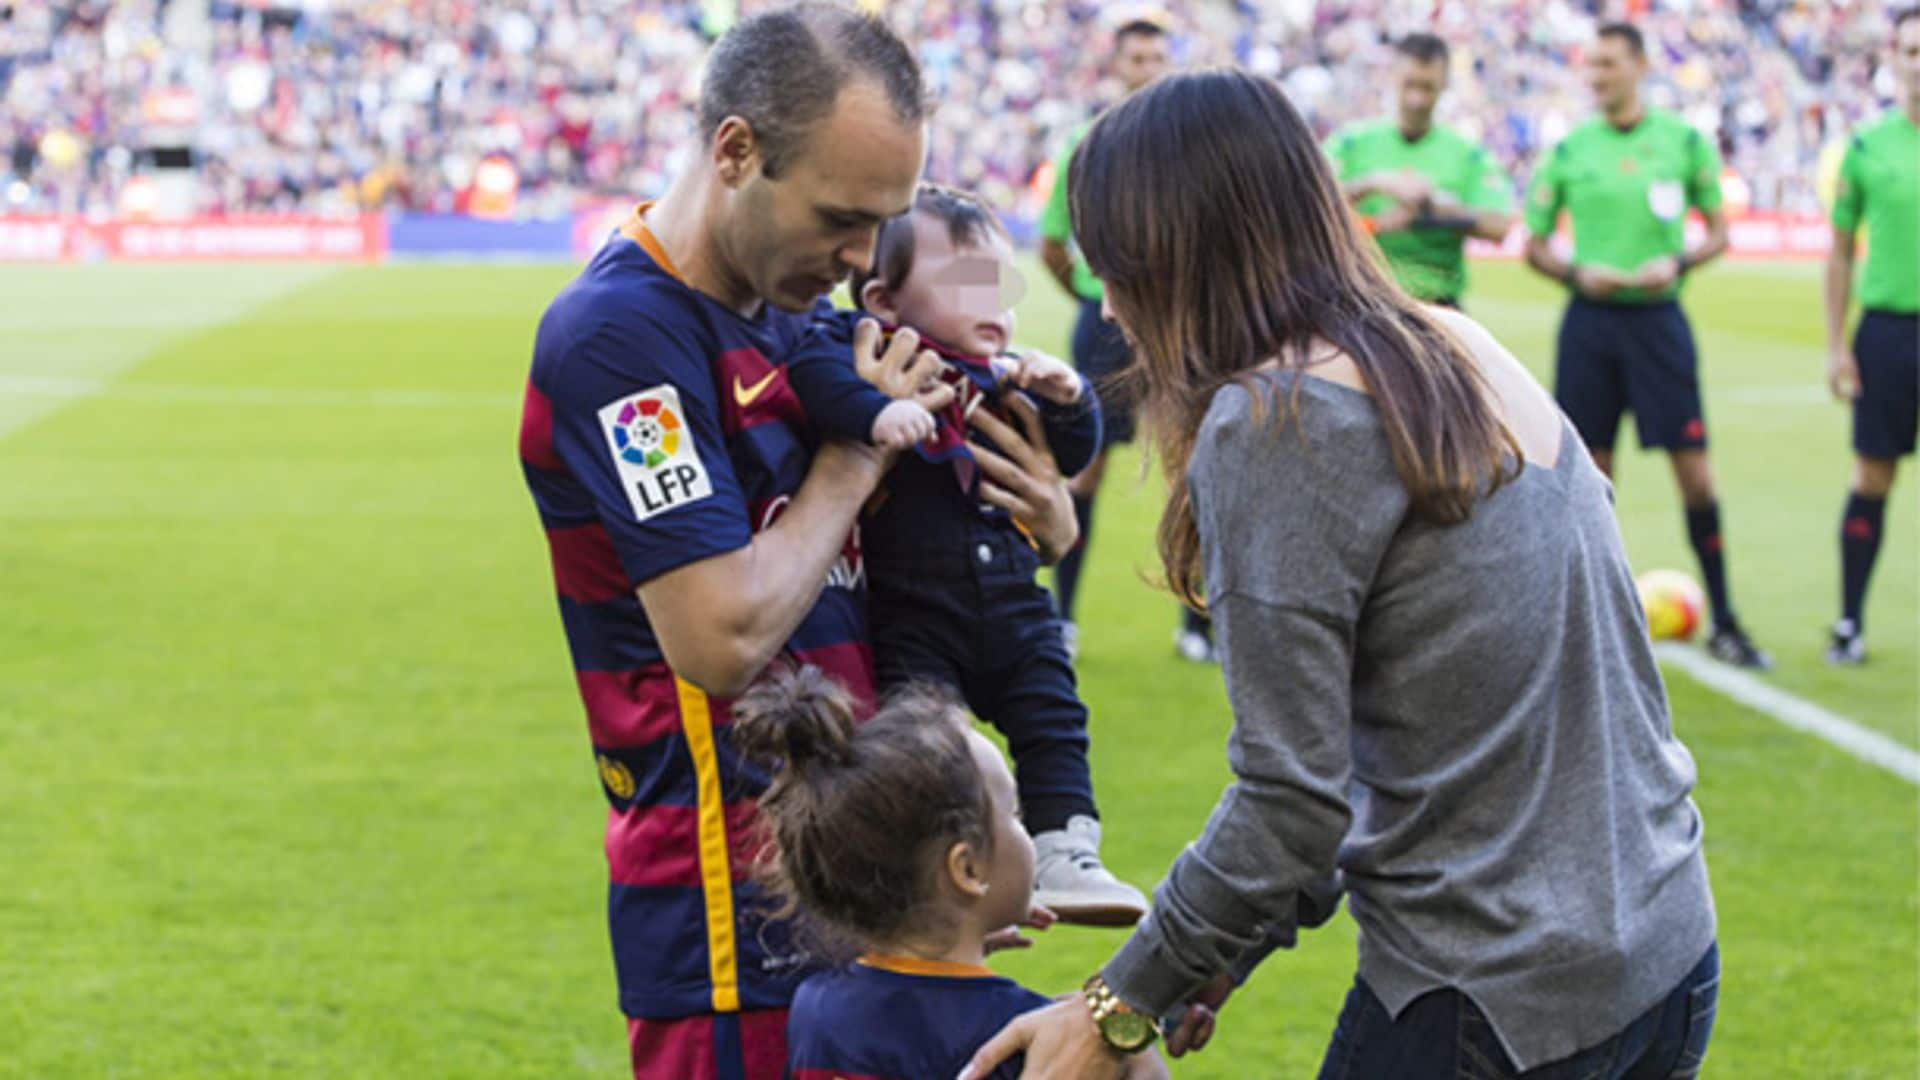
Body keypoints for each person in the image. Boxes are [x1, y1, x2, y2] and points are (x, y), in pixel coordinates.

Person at [963, 69, 1719, 1080]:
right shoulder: (1455, 343)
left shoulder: (1278, 421)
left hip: (1494, 994)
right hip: (1663, 955)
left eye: (1115, 271)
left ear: (1174, 258)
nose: (1111, 310)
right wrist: (1212, 951)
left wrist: (1114, 1006)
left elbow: (1291, 808)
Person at [515, 6, 1077, 1077]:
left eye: (886, 221)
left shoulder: (795, 311)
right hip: (731, 898)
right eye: (840, 216)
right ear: (735, 151)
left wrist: (1033, 522)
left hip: (868, 883)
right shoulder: (621, 339)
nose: (864, 257)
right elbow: (722, 637)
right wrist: (859, 457)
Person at [784, 184, 1149, 924]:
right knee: (933, 747)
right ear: (885, 299)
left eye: (998, 280)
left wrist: (1072, 397)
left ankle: (1065, 852)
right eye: (966, 282)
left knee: (1054, 719)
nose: (994, 303)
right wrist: (879, 411)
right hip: (916, 609)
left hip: (1016, 600)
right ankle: (969, 867)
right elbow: (815, 380)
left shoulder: (1002, 373)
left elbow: (1066, 452)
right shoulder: (861, 348)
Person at [732, 667, 1172, 1080]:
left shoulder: (816, 1008)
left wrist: (952, 936)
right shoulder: (1024, 1035)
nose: (1026, 828)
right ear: (967, 868)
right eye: (1016, 815)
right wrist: (1128, 1044)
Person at [1523, 21, 1770, 670]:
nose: (1595, 75)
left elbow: (1718, 231)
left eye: (1606, 64)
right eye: (1590, 66)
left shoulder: (1683, 141)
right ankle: (1587, 632)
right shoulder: (1571, 148)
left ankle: (1727, 618)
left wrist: (1679, 264)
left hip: (1659, 322)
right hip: (1590, 324)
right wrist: (1579, 272)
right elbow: (1534, 243)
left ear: (1638, 65)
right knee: (1591, 480)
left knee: (1694, 471)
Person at [1037, 15, 1202, 662]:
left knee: (1192, 472)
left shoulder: (1186, 150)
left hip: (1175, 328)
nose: (1148, 69)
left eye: (1159, 58)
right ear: (1118, 67)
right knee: (1086, 470)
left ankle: (1200, 625)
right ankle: (1063, 620)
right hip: (1104, 327)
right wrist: (1090, 294)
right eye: (1138, 58)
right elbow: (1052, 243)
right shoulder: (1085, 146)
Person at [1822, 6, 1920, 666]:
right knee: (1872, 475)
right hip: (1886, 332)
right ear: (1892, 58)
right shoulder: (1866, 147)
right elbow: (1838, 252)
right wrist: (1836, 343)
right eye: (1911, 52)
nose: (1919, 65)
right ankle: (1850, 621)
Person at [1325, 32, 1516, 308]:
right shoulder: (1350, 144)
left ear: (1444, 85)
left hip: (1439, 305)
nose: (1417, 99)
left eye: (1428, 87)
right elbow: (1303, 207)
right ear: (1392, 77)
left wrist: (1430, 210)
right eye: (1409, 85)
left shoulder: (1467, 154)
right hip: (1363, 301)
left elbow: (1499, 226)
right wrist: (1372, 183)